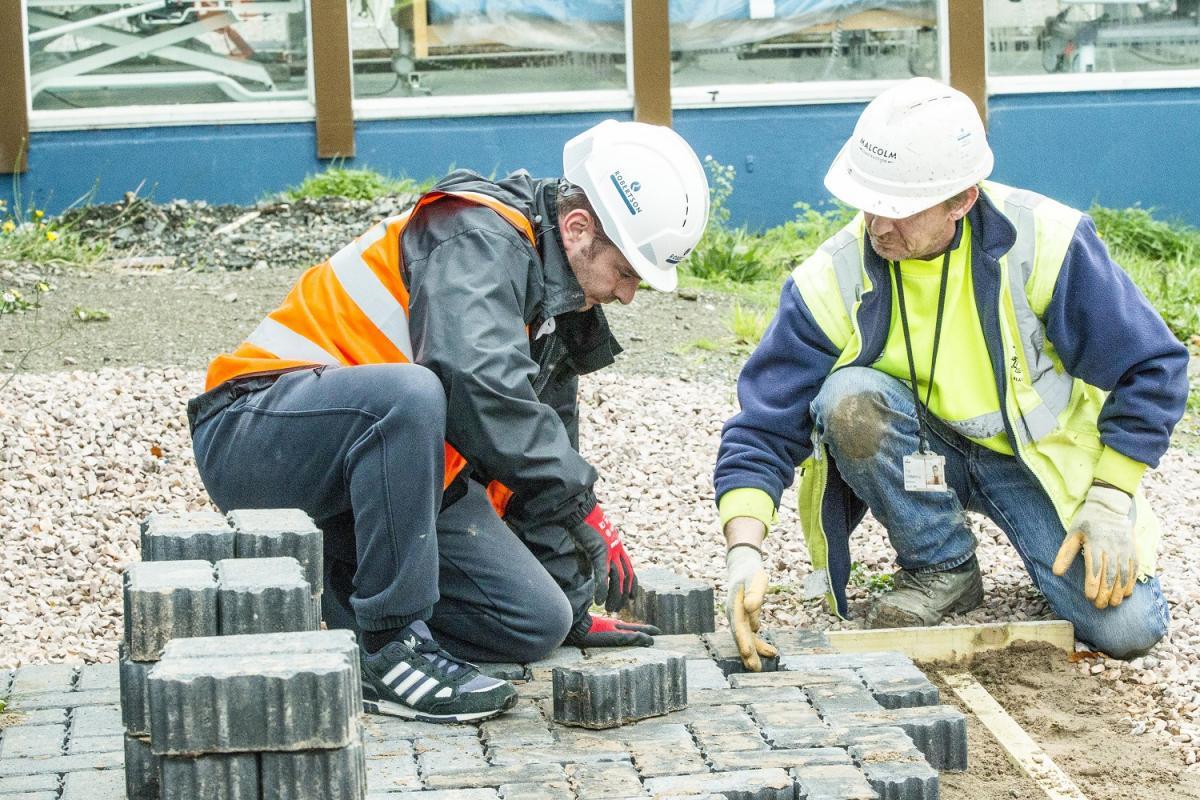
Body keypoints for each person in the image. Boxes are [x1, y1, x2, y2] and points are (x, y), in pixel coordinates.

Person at [187, 119, 710, 721]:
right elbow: (472, 381)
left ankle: (337, 611)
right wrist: (579, 501)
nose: (627, 296)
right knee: (414, 393)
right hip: (256, 431)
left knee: (535, 621)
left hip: (386, 478)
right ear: (577, 228)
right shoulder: (473, 235)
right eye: (626, 272)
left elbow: (533, 447)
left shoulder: (555, 301)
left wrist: (571, 596)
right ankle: (389, 649)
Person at [715, 78, 1189, 669]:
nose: (878, 227)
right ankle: (943, 566)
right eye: (869, 204)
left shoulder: (1046, 242)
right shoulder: (830, 278)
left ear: (962, 200)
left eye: (898, 210)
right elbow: (764, 425)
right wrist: (743, 553)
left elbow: (1155, 366)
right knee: (848, 399)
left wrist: (1112, 496)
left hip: (1034, 463)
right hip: (923, 453)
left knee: (1130, 629)